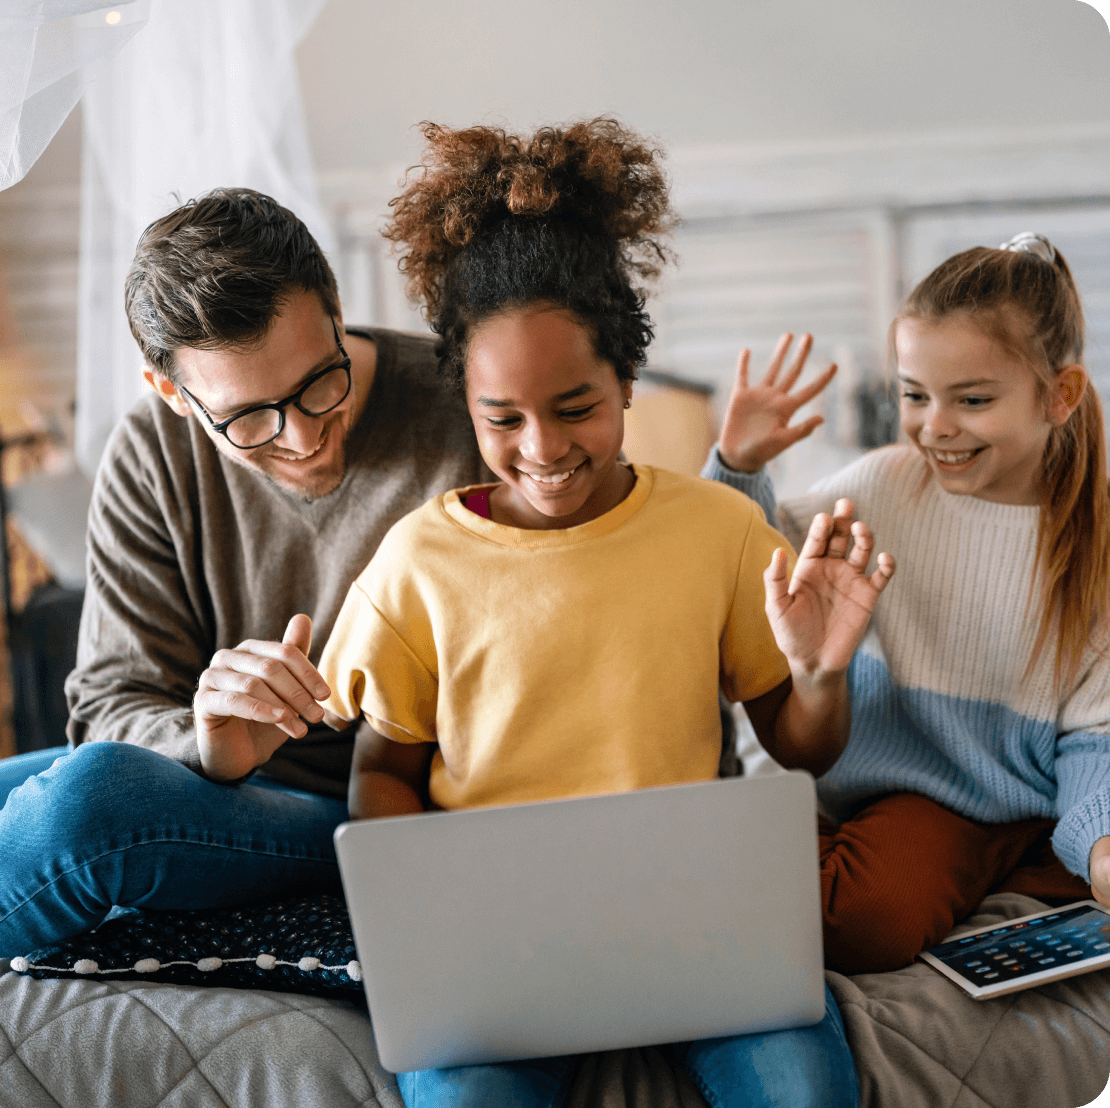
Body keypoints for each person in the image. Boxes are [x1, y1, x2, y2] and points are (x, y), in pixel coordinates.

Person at [317, 118, 888, 1108]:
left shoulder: (719, 530)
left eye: (576, 405)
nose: (540, 446)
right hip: (494, 953)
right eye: (503, 418)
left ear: (628, 379)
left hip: (699, 932)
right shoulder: (416, 563)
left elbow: (802, 753)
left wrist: (823, 672)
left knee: (805, 1092)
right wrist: (438, 928)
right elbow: (383, 777)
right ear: (469, 402)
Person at [0, 187, 490, 955]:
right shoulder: (150, 451)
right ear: (173, 394)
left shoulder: (469, 407)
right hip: (219, 783)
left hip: (370, 803)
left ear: (335, 306)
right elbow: (107, 704)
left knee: (85, 808)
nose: (302, 439)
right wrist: (205, 743)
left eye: (320, 382)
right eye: (249, 418)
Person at [704, 233, 1110, 974]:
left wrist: (1101, 842)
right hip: (906, 792)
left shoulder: (1094, 543)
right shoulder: (889, 482)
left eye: (973, 400)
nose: (935, 426)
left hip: (1025, 807)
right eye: (915, 396)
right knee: (862, 919)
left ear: (1061, 395)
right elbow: (748, 556)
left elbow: (1096, 735)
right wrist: (738, 465)